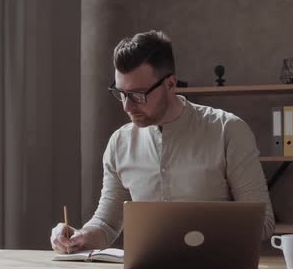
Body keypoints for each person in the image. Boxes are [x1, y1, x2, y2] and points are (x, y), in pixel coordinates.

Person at [51, 30, 274, 254]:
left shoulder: (228, 131)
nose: (126, 107)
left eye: (138, 94)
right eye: (121, 93)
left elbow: (263, 222)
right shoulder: (119, 143)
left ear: (170, 84)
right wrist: (80, 237)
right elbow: (107, 224)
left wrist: (196, 233)